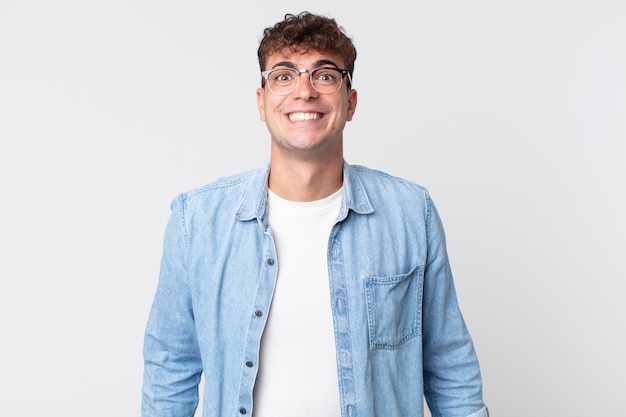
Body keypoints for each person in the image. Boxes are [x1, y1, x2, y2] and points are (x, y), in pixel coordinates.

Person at [142, 11, 488, 417]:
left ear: (350, 101)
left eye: (324, 75)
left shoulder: (411, 215)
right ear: (261, 101)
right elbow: (169, 368)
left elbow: (450, 365)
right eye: (283, 76)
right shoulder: (196, 221)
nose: (303, 91)